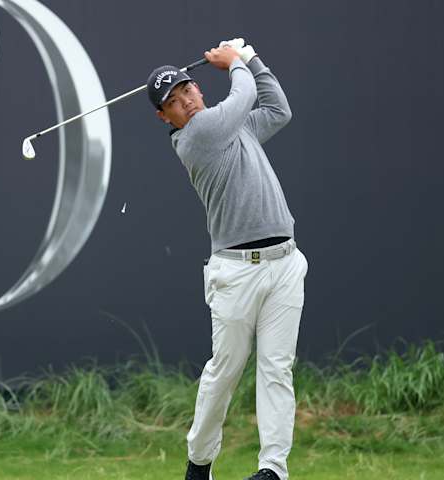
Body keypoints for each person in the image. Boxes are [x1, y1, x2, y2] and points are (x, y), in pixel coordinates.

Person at [146, 40, 308, 480]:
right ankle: (199, 463)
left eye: (187, 92)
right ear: (166, 118)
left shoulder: (232, 126)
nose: (185, 103)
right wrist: (237, 61)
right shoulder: (196, 135)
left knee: (277, 368)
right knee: (226, 370)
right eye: (174, 103)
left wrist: (253, 61)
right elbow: (246, 94)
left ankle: (272, 469)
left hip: (285, 263)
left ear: (198, 88)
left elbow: (278, 109)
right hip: (236, 273)